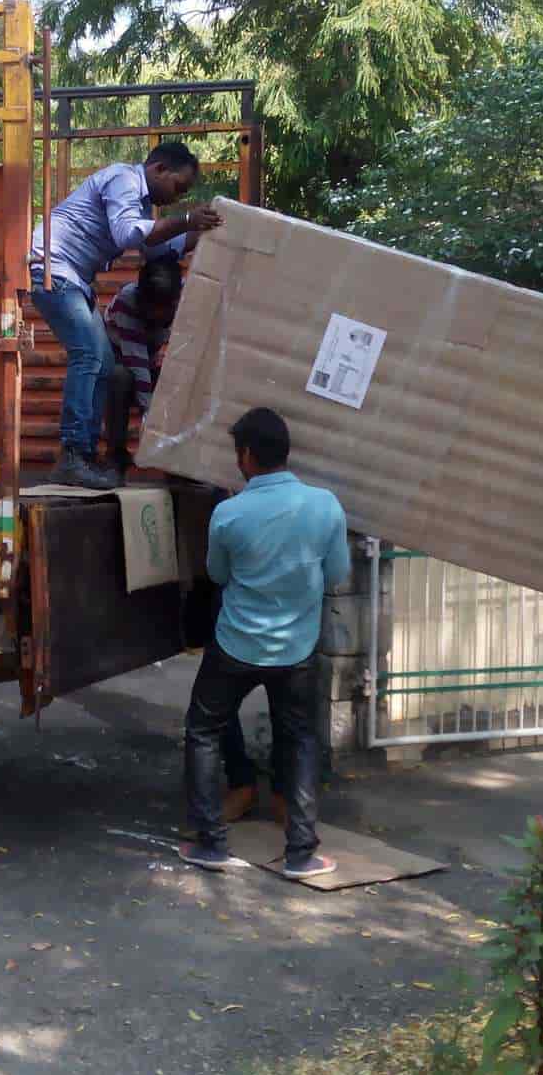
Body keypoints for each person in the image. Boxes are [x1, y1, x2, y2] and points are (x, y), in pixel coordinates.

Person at [180, 407, 348, 878]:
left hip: (236, 645)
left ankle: (211, 844)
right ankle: (301, 853)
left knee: (202, 729)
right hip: (297, 649)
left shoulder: (229, 514)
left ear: (247, 455)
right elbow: (337, 574)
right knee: (298, 739)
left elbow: (216, 574)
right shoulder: (325, 506)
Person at [28, 141, 221, 490]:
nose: (177, 198)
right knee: (89, 356)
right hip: (52, 268)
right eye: (178, 187)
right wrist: (188, 219)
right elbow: (128, 233)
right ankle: (74, 455)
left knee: (103, 362)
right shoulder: (124, 180)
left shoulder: (141, 203)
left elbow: (159, 246)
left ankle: (82, 455)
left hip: (71, 277)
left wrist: (208, 230)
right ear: (159, 169)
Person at [102, 253, 183, 476]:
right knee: (120, 377)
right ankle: (116, 454)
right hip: (123, 362)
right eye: (153, 308)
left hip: (148, 361)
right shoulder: (126, 303)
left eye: (164, 309)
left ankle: (177, 462)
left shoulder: (184, 297)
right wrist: (149, 415)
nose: (158, 315)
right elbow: (136, 362)